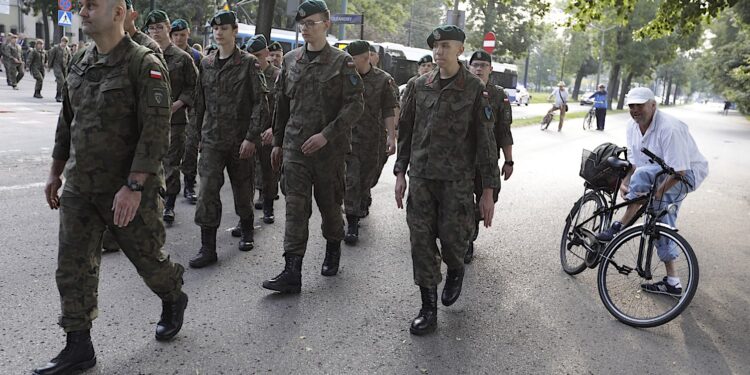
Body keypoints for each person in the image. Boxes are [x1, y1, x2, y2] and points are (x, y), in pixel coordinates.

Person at [35, 1, 188, 373]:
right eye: (81, 6)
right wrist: (56, 171)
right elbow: (66, 121)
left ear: (118, 13)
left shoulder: (143, 63)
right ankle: (78, 345)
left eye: (92, 5)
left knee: (148, 260)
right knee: (72, 266)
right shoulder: (81, 61)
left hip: (128, 189)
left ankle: (172, 294)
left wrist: (134, 186)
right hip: (81, 187)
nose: (83, 11)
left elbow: (156, 134)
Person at [394, 25, 500, 335]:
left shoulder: (474, 89)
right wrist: (400, 172)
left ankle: (455, 269)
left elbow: (485, 142)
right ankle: (428, 309)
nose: (439, 51)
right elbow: (408, 131)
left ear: (460, 51)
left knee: (454, 242)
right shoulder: (417, 86)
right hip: (422, 178)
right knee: (420, 241)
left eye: (446, 46)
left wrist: (488, 191)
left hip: (456, 182)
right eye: (436, 46)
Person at [262, 0, 364, 293]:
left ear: (326, 25)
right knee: (295, 207)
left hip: (328, 151)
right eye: (302, 24)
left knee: (330, 207)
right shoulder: (292, 60)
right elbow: (282, 104)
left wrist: (326, 135)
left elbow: (355, 105)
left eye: (312, 23)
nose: (306, 28)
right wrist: (278, 143)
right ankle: (292, 270)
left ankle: (334, 243)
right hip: (295, 147)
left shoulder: (341, 62)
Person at [596, 87, 708, 296]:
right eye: (632, 105)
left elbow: (680, 170)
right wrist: (625, 184)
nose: (635, 109)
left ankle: (621, 224)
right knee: (657, 219)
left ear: (653, 105)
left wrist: (657, 194)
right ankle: (672, 281)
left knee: (660, 212)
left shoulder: (669, 128)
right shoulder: (633, 126)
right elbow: (635, 163)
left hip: (686, 173)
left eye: (640, 105)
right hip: (659, 171)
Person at [188, 10, 268, 268]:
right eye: (215, 28)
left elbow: (260, 103)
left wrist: (251, 137)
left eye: (224, 28)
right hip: (212, 139)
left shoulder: (247, 63)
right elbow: (200, 104)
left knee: (242, 189)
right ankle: (207, 247)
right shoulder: (206, 64)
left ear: (235, 31)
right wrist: (197, 135)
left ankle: (246, 229)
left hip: (240, 140)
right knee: (207, 191)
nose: (219, 32)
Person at [145, 10, 199, 224]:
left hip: (174, 120)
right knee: (148, 162)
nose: (156, 32)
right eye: (151, 28)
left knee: (171, 163)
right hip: (148, 120)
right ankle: (151, 203)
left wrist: (178, 104)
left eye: (159, 27)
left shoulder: (183, 58)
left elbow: (194, 86)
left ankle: (169, 204)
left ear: (168, 28)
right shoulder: (144, 54)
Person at [342, 40, 397, 245]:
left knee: (367, 179)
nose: (349, 62)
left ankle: (363, 198)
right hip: (348, 138)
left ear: (365, 58)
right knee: (351, 180)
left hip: (373, 140)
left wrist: (392, 136)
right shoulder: (344, 77)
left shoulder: (384, 80)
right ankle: (352, 223)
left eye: (353, 58)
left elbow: (389, 109)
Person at [465, 50, 514, 264]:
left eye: (483, 65)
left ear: (490, 69)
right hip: (461, 160)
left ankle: (473, 223)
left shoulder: (499, 95)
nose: (479, 68)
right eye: (475, 64)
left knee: (487, 201)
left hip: (487, 160)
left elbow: (504, 130)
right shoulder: (461, 91)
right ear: (469, 67)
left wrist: (509, 160)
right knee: (460, 202)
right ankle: (465, 241)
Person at [240, 34, 280, 227]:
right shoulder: (245, 75)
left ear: (266, 53)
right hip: (249, 131)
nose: (254, 59)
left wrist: (275, 129)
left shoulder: (278, 75)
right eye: (250, 55)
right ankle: (245, 218)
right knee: (245, 176)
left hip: (268, 131)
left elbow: (284, 107)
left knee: (269, 171)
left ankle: (269, 207)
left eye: (257, 54)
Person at [170, 18, 202, 204]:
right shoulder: (164, 54)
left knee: (190, 149)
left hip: (192, 111)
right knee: (170, 153)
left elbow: (201, 85)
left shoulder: (196, 57)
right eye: (176, 35)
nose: (179, 38)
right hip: (173, 111)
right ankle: (168, 188)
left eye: (182, 35)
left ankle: (189, 184)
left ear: (188, 34)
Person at [47, 36, 72, 102]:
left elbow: (69, 58)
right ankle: (58, 95)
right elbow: (51, 57)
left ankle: (61, 95)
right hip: (57, 66)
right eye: (63, 42)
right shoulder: (56, 48)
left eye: (66, 42)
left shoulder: (68, 49)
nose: (64, 44)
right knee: (61, 81)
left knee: (65, 82)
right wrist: (49, 67)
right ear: (61, 41)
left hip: (64, 67)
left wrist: (70, 66)